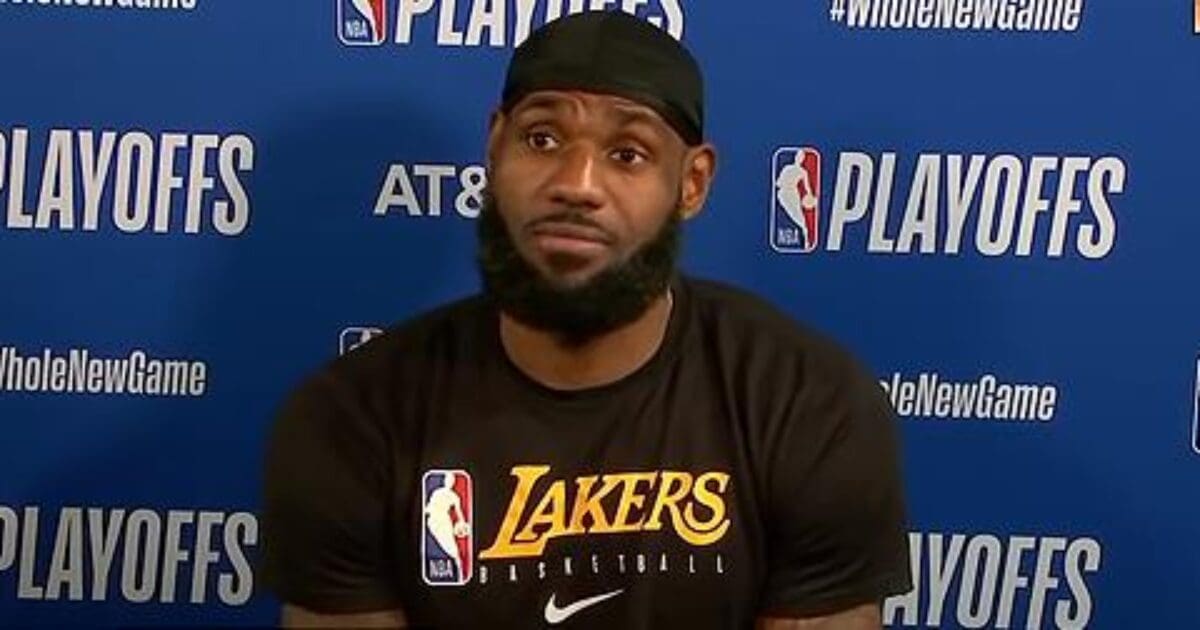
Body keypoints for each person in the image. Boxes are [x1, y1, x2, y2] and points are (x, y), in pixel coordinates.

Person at [261, 10, 911, 629]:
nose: (576, 184)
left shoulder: (807, 404)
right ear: (495, 146)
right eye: (542, 139)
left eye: (628, 153)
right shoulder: (352, 418)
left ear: (692, 184)